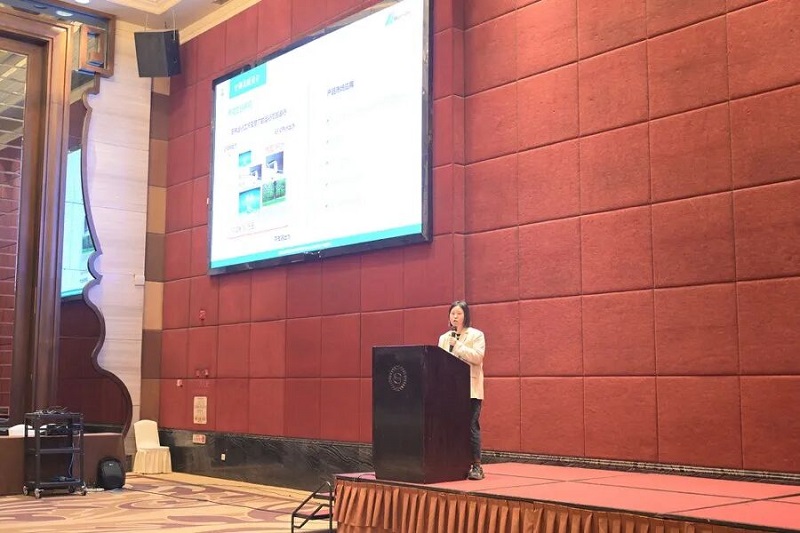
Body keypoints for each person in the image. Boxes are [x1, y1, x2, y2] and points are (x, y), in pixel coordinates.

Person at [438, 300, 486, 481]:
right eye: (452, 313)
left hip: (471, 389)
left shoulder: (476, 335)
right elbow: (440, 361)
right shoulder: (444, 338)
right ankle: (453, 463)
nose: (455, 317)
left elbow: (478, 357)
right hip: (450, 390)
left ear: (466, 316)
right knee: (450, 426)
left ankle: (476, 465)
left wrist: (457, 345)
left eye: (459, 313)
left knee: (471, 425)